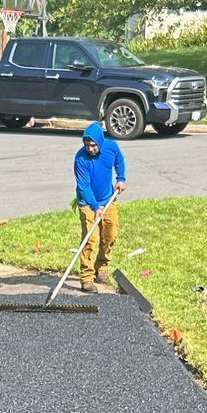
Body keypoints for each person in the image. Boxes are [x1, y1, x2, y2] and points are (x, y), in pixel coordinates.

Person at [72, 119, 127, 293]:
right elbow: (84, 186)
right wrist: (96, 207)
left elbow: (119, 161)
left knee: (110, 235)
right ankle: (86, 278)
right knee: (90, 239)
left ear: (100, 142)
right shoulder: (80, 159)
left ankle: (101, 267)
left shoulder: (111, 147)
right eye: (87, 145)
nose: (90, 149)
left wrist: (121, 179)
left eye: (93, 145)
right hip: (88, 203)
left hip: (108, 199)